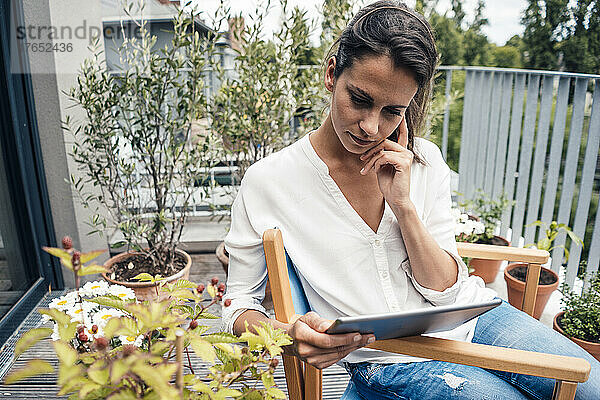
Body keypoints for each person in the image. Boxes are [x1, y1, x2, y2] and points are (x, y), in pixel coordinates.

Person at [221, 1, 600, 398]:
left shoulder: (425, 161)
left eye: (393, 112)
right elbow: (237, 304)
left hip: (475, 318)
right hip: (387, 359)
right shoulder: (270, 181)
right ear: (332, 74)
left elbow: (446, 289)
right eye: (360, 99)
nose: (371, 127)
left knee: (591, 386)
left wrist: (403, 207)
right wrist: (288, 334)